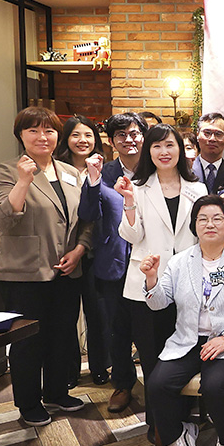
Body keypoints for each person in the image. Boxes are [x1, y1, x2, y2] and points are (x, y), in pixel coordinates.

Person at [141, 195, 224, 446]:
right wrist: (151, 279)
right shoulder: (180, 261)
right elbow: (159, 303)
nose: (210, 224)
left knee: (215, 385)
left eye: (217, 218)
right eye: (203, 219)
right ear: (194, 225)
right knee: (157, 384)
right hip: (188, 340)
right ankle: (179, 437)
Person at [0, 107, 93, 426]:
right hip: (24, 272)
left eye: (48, 130)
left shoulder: (70, 172)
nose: (42, 137)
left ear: (57, 135)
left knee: (62, 335)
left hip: (66, 269)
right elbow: (3, 219)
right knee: (28, 340)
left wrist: (79, 250)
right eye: (33, 130)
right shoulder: (8, 170)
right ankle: (28, 402)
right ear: (20, 135)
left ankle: (56, 392)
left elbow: (86, 219)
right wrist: (23, 181)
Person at [116, 124, 208, 439]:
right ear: (149, 151)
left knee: (182, 354)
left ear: (181, 150)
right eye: (157, 146)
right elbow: (131, 235)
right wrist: (129, 202)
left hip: (187, 285)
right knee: (153, 357)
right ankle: (159, 425)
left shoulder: (197, 189)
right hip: (147, 284)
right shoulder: (138, 188)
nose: (164, 152)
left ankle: (184, 419)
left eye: (170, 145)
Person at [78, 112, 149, 412]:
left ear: (143, 136)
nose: (128, 140)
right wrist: (93, 181)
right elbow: (87, 214)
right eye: (121, 135)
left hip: (151, 262)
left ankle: (157, 383)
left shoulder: (157, 168)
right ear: (110, 141)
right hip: (114, 262)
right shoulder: (103, 172)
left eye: (134, 133)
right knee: (117, 328)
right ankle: (122, 383)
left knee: (152, 327)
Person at [55, 115, 107, 386]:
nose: (82, 140)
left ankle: (99, 367)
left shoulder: (105, 169)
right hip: (64, 254)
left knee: (97, 314)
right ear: (66, 139)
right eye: (76, 135)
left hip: (96, 254)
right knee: (66, 315)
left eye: (88, 135)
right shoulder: (56, 170)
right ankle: (69, 371)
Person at [193, 112, 224, 193]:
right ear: (197, 136)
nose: (212, 139)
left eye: (218, 134)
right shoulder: (186, 171)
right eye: (207, 133)